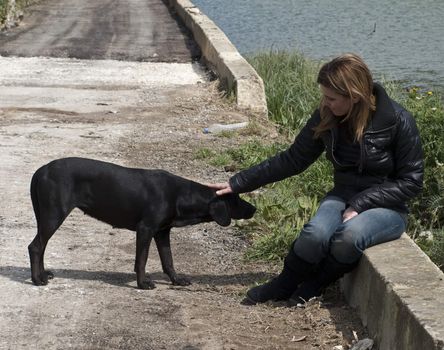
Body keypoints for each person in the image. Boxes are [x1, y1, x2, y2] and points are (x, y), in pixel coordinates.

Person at [209, 53, 424, 306]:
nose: (325, 103)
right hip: (342, 196)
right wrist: (239, 182)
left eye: (331, 98)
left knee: (350, 236)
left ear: (354, 96)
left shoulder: (398, 120)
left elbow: (412, 181)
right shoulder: (326, 115)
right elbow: (293, 159)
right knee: (315, 234)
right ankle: (284, 283)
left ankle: (315, 285)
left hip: (388, 208)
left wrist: (362, 203)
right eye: (324, 96)